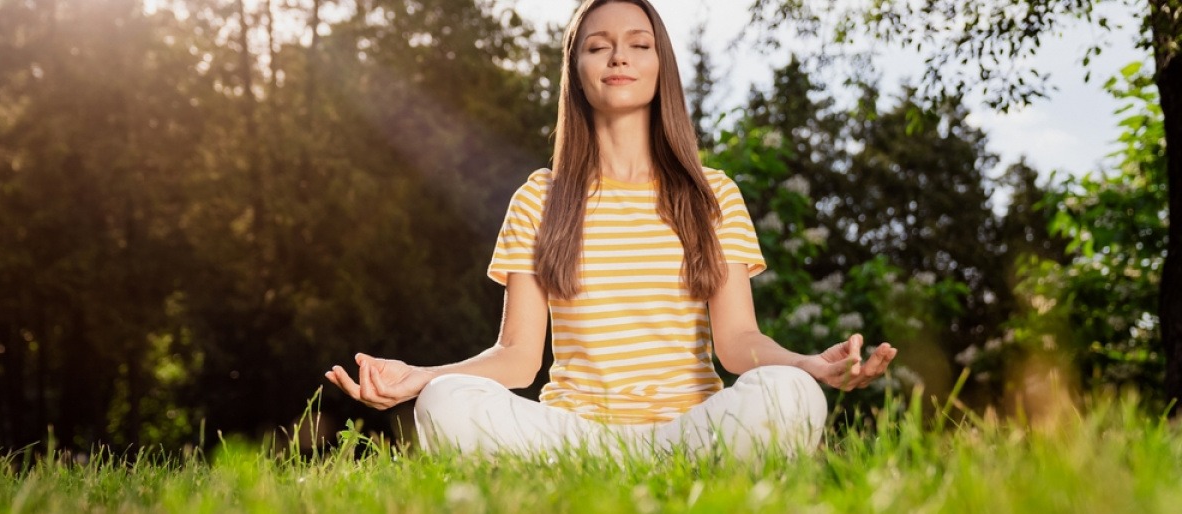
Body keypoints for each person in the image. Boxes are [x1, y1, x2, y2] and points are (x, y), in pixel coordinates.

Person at [325, 0, 897, 458]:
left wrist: (807, 366)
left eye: (638, 45)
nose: (618, 57)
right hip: (573, 440)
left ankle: (702, 463)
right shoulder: (540, 199)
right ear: (577, 73)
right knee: (445, 402)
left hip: (694, 433)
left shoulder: (712, 193)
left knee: (791, 395)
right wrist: (421, 377)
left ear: (659, 66)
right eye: (598, 47)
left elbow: (738, 344)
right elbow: (519, 358)